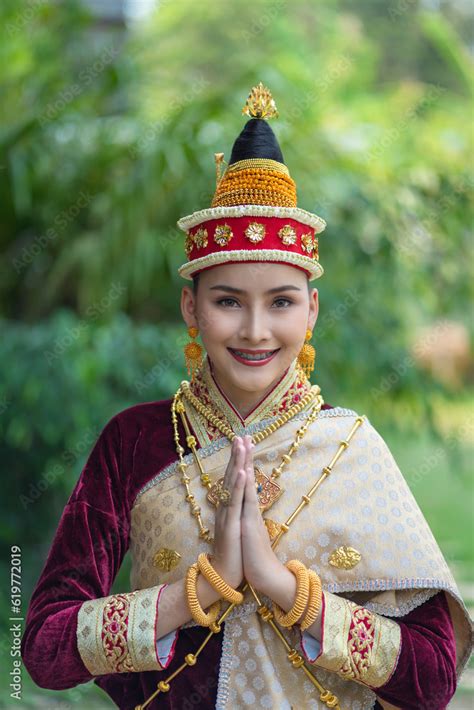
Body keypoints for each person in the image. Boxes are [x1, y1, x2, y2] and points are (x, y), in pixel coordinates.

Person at [22, 83, 472, 710]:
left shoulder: (351, 449)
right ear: (192, 308)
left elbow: (433, 680)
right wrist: (196, 596)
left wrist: (286, 590)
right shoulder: (134, 441)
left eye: (281, 302)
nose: (256, 330)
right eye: (228, 300)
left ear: (311, 310)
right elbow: (45, 648)